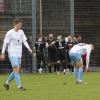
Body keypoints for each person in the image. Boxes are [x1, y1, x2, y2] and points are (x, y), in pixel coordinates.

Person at [0, 18, 32, 90]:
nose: (20, 26)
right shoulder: (9, 33)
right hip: (12, 53)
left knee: (16, 71)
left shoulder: (21, 32)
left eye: (21, 25)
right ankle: (19, 87)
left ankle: (6, 83)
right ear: (15, 24)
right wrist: (2, 53)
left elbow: (24, 41)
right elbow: (5, 43)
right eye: (19, 25)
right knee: (17, 69)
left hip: (19, 54)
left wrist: (29, 48)